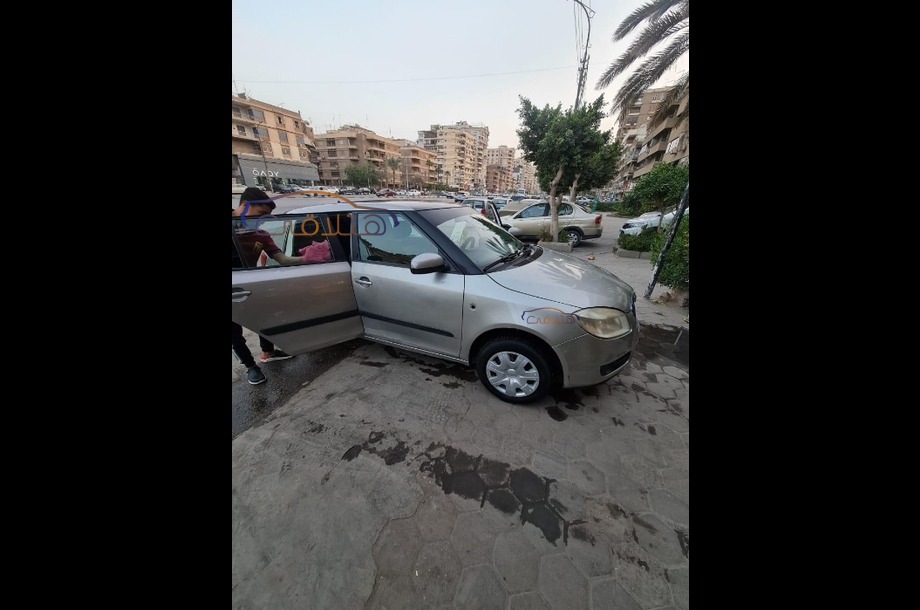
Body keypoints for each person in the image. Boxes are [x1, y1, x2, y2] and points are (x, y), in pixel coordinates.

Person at [232, 188, 302, 384]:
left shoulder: (261, 235)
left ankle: (268, 353)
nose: (262, 219)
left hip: (250, 284)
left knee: (265, 319)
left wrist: (310, 257)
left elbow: (283, 259)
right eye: (260, 214)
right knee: (234, 332)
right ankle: (250, 367)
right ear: (244, 205)